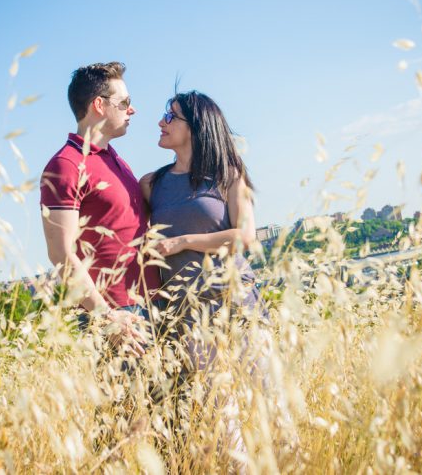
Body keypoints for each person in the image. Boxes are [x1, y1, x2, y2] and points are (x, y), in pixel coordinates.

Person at [40, 62, 160, 355]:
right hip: (118, 315)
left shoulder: (114, 160)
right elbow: (60, 253)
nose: (132, 110)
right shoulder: (64, 166)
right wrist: (107, 317)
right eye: (125, 103)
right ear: (99, 105)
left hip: (153, 305)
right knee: (129, 402)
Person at [139, 90, 263, 367]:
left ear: (196, 126)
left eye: (171, 116)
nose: (161, 122)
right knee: (218, 407)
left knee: (264, 399)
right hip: (188, 313)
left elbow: (244, 237)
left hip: (237, 300)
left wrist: (182, 242)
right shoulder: (150, 184)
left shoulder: (229, 174)